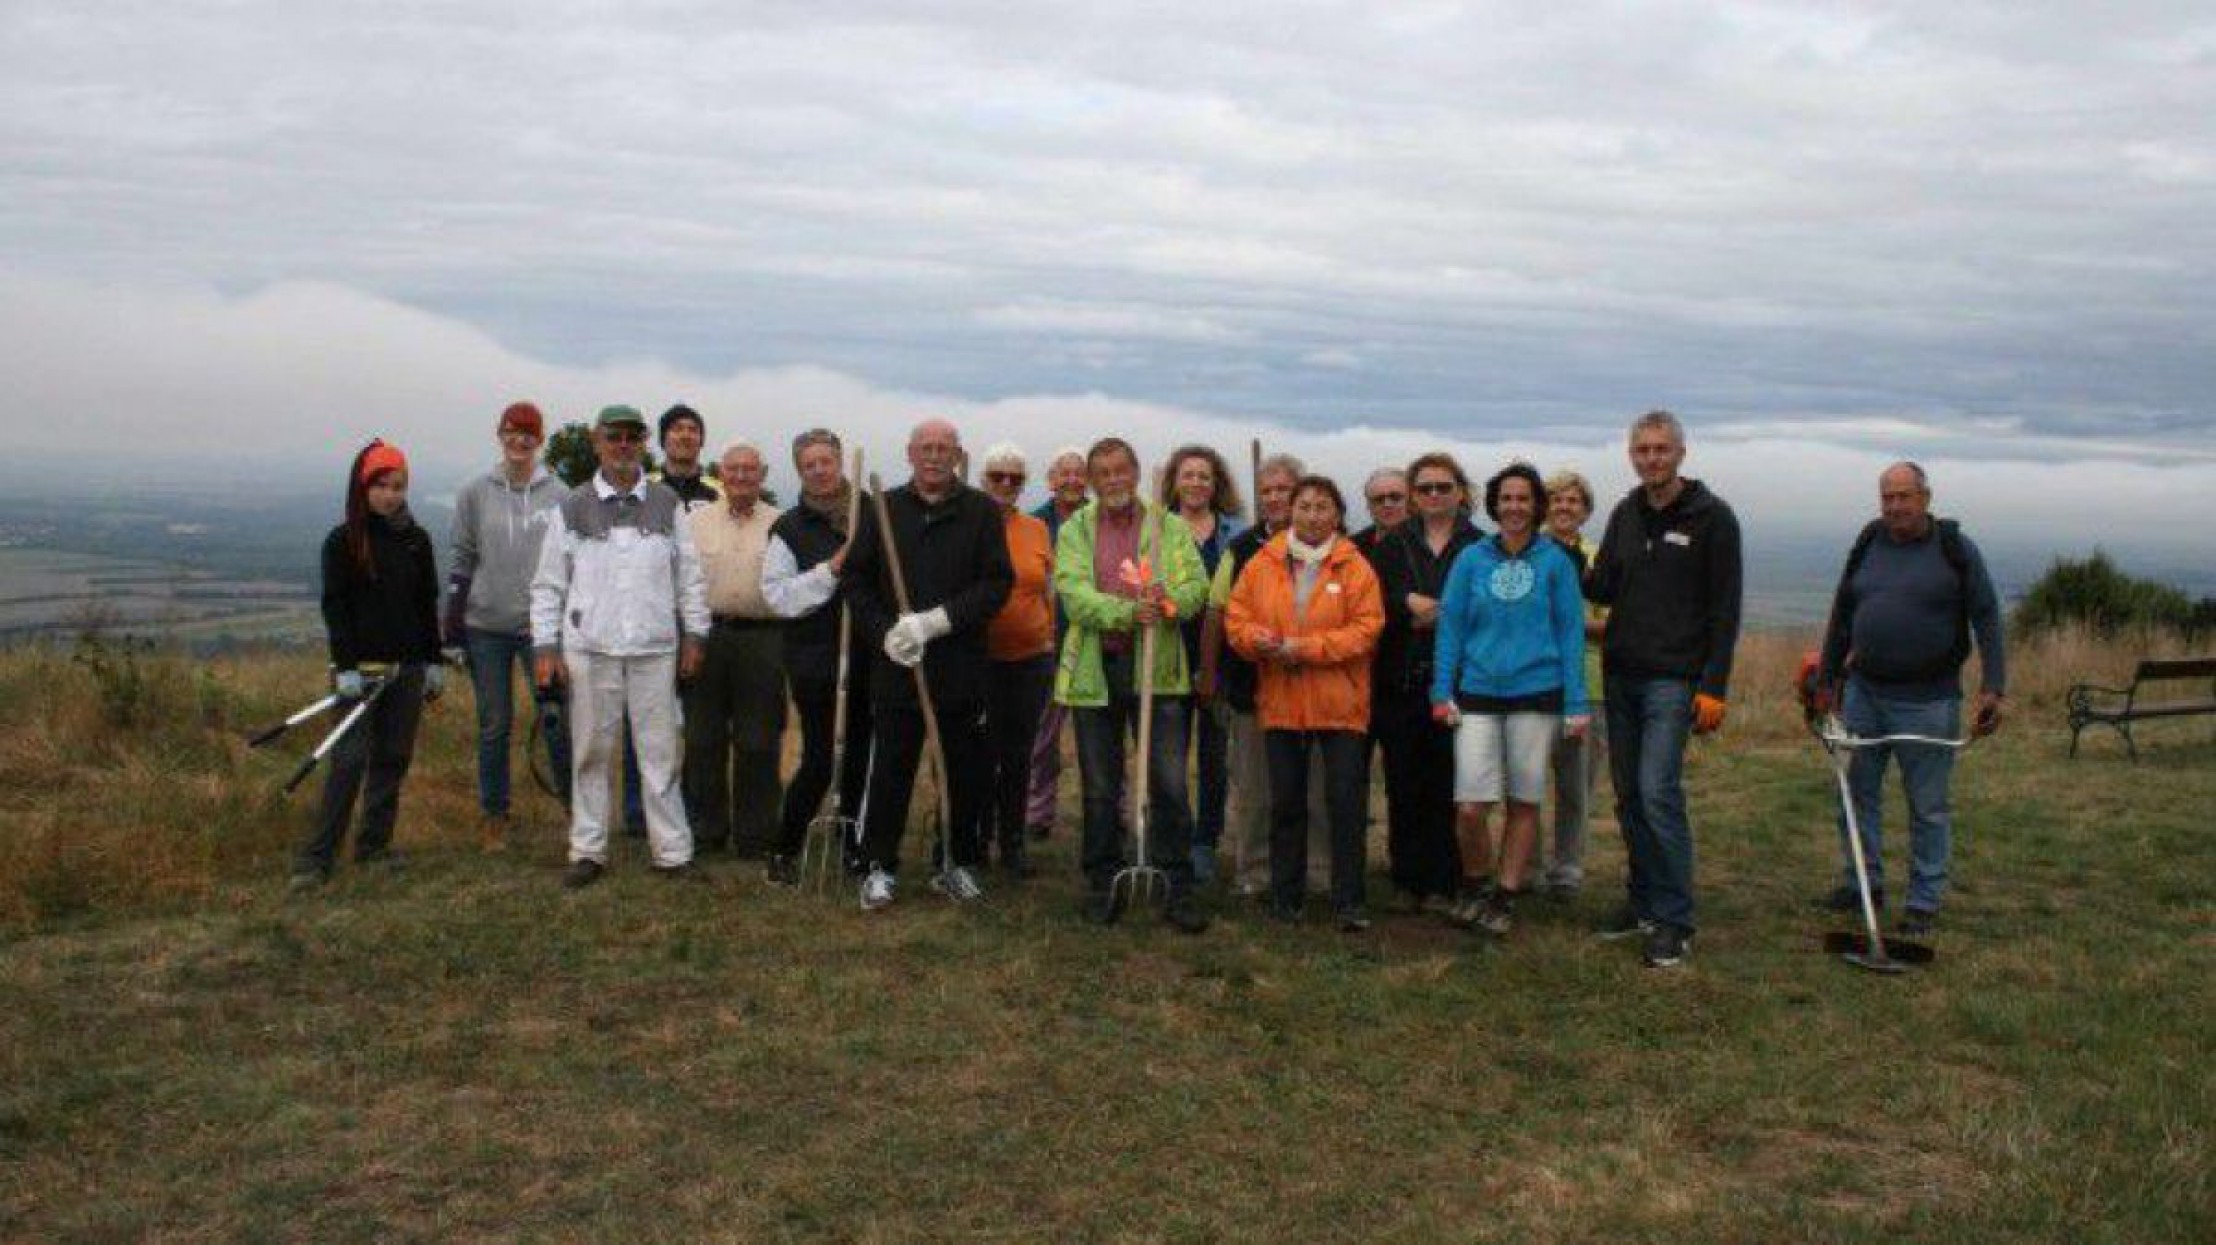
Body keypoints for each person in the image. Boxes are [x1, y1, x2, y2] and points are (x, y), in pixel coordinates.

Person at [1816, 462, 2007, 936]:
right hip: (1863, 693)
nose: (1895, 506)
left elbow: (1987, 616)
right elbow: (1842, 614)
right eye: (1887, 498)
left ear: (1926, 497)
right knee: (1855, 797)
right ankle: (1865, 883)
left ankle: (1923, 900)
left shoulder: (1955, 549)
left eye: (1904, 496)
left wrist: (1993, 687)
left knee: (1927, 805)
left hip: (1929, 700)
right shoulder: (1866, 544)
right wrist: (1825, 681)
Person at [1584, 410, 1742, 968]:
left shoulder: (1713, 518)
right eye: (1642, 450)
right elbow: (1600, 582)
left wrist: (1714, 686)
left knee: (1657, 792)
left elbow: (1726, 611)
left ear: (1680, 452)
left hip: (1674, 682)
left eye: (1660, 449)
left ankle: (1675, 920)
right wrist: (1557, 547)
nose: (1651, 458)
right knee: (1629, 796)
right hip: (1620, 673)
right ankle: (1644, 902)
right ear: (1631, 455)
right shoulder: (1626, 513)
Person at [531, 405, 710, 888]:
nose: (624, 445)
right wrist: (545, 648)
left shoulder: (668, 502)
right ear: (597, 441)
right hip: (590, 649)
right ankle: (588, 849)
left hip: (655, 648)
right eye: (615, 437)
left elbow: (689, 578)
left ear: (644, 442)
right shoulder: (571, 506)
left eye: (633, 436)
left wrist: (695, 635)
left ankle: (672, 851)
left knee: (661, 752)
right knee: (590, 751)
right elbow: (548, 585)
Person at [841, 418, 1013, 911]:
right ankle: (879, 867)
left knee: (963, 772)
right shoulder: (884, 509)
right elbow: (855, 581)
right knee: (890, 769)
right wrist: (887, 634)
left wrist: (937, 622)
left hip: (959, 666)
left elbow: (995, 584)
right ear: (909, 453)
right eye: (926, 448)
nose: (935, 456)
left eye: (944, 449)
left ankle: (955, 863)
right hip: (898, 670)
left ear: (958, 455)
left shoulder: (980, 511)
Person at [1054, 437, 1211, 932]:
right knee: (1101, 784)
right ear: (1093, 480)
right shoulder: (1076, 528)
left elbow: (1196, 589)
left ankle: (1177, 883)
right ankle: (1102, 880)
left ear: (1137, 472)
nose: (1113, 480)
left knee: (1167, 782)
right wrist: (1126, 611)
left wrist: (1167, 601)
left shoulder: (1170, 527)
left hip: (1157, 670)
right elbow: (1074, 594)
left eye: (1121, 470)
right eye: (1102, 473)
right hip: (1096, 671)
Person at [1430, 462, 1590, 936]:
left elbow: (1570, 634)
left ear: (1536, 505)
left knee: (1524, 800)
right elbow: (1451, 626)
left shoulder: (1556, 562)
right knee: (1470, 807)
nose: (1515, 507)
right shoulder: (1471, 559)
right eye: (1506, 499)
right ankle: (1476, 885)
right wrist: (1441, 689)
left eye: (1524, 499)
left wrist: (1577, 703)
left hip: (1537, 694)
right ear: (1494, 504)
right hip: (1476, 692)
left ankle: (1505, 895)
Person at [1226, 475, 1385, 930]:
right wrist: (1255, 639)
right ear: (1290, 511)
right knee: (1286, 803)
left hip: (1341, 705)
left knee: (1343, 803)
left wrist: (1303, 649)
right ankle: (1285, 895)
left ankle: (1348, 899)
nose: (1312, 515)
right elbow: (1237, 619)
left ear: (1338, 515)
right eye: (1304, 506)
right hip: (1280, 702)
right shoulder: (1262, 562)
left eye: (1322, 507)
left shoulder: (1355, 566)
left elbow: (1366, 630)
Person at [292, 439, 443, 890]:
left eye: (398, 486)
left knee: (392, 759)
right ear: (363, 488)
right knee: (349, 761)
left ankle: (374, 847)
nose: (390, 495)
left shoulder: (417, 541)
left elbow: (425, 604)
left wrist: (433, 662)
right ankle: (318, 858)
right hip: (360, 673)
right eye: (380, 485)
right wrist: (346, 668)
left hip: (407, 671)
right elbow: (335, 608)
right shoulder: (343, 542)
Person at [1201, 452, 1333, 897]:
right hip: (1252, 687)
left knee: (1314, 787)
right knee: (1255, 786)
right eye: (1267, 492)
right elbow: (1219, 613)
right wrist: (1214, 676)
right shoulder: (1240, 550)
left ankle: (1315, 870)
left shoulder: (1334, 547)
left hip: (1317, 688)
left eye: (1283, 490)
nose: (1275, 498)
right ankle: (1255, 871)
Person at [444, 401, 569, 852]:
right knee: (494, 724)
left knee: (555, 719)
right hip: (485, 628)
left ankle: (576, 810)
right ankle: (494, 815)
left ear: (540, 440)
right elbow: (461, 559)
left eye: (528, 433)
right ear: (500, 435)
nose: (519, 440)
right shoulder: (474, 492)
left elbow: (571, 562)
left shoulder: (560, 494)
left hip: (542, 631)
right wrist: (452, 629)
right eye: (511, 432)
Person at [1370, 451, 1481, 911]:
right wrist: (1407, 606)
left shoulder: (1479, 545)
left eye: (1443, 486)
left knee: (1450, 784)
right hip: (1400, 678)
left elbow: (1478, 607)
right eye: (1425, 488)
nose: (1434, 495)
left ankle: (1444, 879)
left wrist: (1430, 609)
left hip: (1459, 681)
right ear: (1414, 496)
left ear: (1460, 491)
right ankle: (1407, 878)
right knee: (1403, 781)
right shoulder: (1392, 545)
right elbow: (1379, 602)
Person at [762, 428, 873, 883]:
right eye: (809, 465)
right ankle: (784, 848)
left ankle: (854, 846)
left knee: (862, 754)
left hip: (869, 653)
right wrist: (830, 570)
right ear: (799, 471)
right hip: (815, 658)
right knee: (822, 758)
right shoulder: (789, 528)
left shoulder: (873, 514)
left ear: (840, 461)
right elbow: (778, 596)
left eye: (825, 461)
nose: (819, 470)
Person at [683, 440, 785, 861]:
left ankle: (756, 836)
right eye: (733, 469)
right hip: (707, 635)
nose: (741, 476)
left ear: (762, 475)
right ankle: (706, 831)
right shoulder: (694, 521)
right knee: (703, 738)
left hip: (764, 639)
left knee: (758, 740)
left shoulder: (783, 523)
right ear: (720, 475)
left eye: (750, 469)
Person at [1159, 444, 1247, 883]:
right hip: (1169, 656)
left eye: (1204, 476)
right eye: (1188, 475)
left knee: (1215, 758)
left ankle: (1204, 843)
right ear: (1174, 481)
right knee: (1169, 760)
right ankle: (1171, 837)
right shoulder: (1155, 530)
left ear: (1217, 485)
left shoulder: (1235, 533)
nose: (1195, 483)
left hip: (1222, 661)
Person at [978, 442, 1053, 879]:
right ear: (984, 479)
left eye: (1015, 478)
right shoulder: (970, 520)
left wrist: (1050, 635)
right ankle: (977, 835)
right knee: (980, 752)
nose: (1006, 484)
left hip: (1029, 658)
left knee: (1020, 753)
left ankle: (1013, 842)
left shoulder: (1037, 529)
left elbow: (1046, 586)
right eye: (998, 476)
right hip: (980, 658)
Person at [1538, 468, 1608, 899]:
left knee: (1575, 785)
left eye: (1573, 501)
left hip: (1589, 683)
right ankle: (1523, 867)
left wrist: (1564, 624)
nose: (1564, 507)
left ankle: (1567, 869)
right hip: (1531, 683)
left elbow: (1612, 624)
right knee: (1522, 784)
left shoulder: (1601, 557)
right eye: (1557, 499)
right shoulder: (1526, 553)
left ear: (1585, 510)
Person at [1023, 446, 1090, 839]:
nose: (1071, 480)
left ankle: (1109, 811)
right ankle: (1036, 813)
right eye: (1063, 473)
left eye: (1078, 473)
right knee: (1042, 738)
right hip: (1044, 643)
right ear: (1051, 480)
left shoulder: (1102, 523)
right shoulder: (1034, 524)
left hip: (1092, 643)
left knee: (1098, 737)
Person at [654, 403, 724, 513]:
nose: (685, 435)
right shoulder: (643, 489)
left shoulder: (722, 493)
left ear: (701, 441)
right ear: (663, 440)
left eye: (693, 430)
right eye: (677, 429)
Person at [1351, 468, 1409, 555]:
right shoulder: (1352, 549)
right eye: (1378, 499)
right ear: (1368, 506)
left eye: (1395, 497)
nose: (1387, 504)